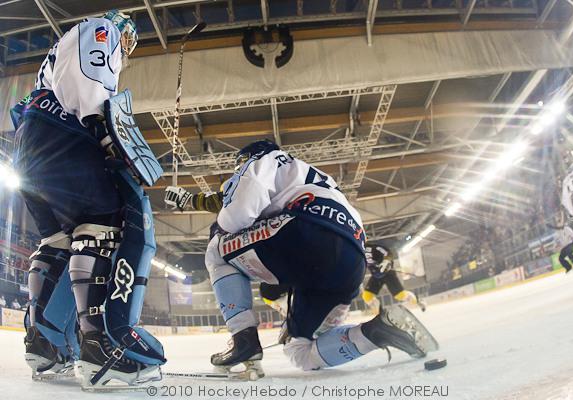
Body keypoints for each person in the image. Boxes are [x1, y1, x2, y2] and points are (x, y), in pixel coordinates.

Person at [165, 139, 430, 375]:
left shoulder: (263, 158)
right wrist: (190, 200)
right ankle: (377, 332)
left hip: (307, 233)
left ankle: (244, 340)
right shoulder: (307, 175)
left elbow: (236, 215)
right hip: (351, 261)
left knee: (217, 247)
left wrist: (219, 219)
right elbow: (229, 199)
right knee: (299, 350)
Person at [11, 10, 165, 387]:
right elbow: (90, 76)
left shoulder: (56, 53)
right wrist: (105, 131)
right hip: (64, 132)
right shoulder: (102, 29)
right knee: (101, 223)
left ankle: (43, 343)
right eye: (128, 39)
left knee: (56, 241)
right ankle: (98, 346)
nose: (126, 47)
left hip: (30, 139)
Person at [362, 243, 424, 313]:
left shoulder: (373, 247)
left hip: (388, 274)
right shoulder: (357, 251)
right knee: (367, 296)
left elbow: (387, 253)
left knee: (401, 296)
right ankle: (379, 313)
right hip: (376, 275)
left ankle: (418, 301)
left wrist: (386, 261)